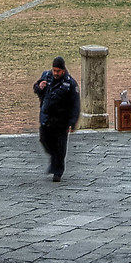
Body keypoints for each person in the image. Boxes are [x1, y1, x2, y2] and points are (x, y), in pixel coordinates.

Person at [34, 55, 81, 183]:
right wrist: (39, 87)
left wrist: (72, 122)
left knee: (60, 147)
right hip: (46, 117)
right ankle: (54, 159)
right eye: (54, 70)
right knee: (44, 140)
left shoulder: (70, 83)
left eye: (58, 71)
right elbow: (37, 89)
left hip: (61, 121)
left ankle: (58, 172)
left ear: (63, 70)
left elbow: (75, 105)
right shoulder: (46, 76)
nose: (55, 73)